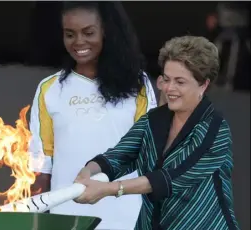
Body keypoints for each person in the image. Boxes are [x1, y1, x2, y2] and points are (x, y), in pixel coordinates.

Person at [74, 35, 240, 230]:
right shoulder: (152, 120)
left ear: (203, 85)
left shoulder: (215, 129)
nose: (170, 88)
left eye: (180, 82)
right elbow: (117, 157)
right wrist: (88, 171)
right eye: (167, 79)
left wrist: (108, 190)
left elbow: (169, 179)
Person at [28, 2, 157, 229]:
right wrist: (35, 218)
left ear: (106, 31)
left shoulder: (138, 84)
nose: (79, 42)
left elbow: (149, 152)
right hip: (67, 219)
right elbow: (42, 165)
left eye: (88, 33)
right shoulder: (50, 89)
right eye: (70, 34)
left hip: (125, 216)